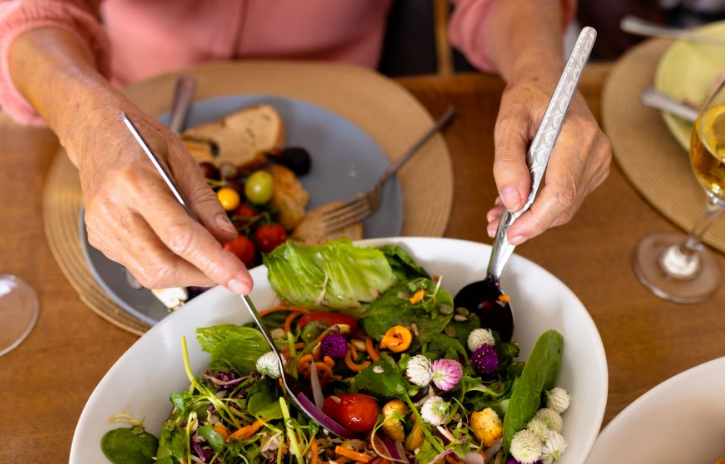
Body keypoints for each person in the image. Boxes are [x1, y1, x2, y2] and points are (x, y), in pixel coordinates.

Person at [0, 0, 611, 295]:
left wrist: (537, 66)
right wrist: (84, 118)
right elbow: (28, 18)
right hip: (125, 102)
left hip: (355, 95)